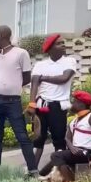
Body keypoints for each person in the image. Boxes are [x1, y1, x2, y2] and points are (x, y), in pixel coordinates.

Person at [0, 25, 37, 176]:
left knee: (22, 135)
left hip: (12, 101)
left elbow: (27, 77)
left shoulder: (21, 53)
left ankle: (33, 171)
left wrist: (13, 86)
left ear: (2, 35)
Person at [28, 34, 77, 167]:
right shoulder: (40, 64)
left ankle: (60, 172)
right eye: (59, 43)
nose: (63, 45)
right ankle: (31, 170)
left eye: (63, 42)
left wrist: (43, 77)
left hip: (58, 106)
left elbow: (64, 78)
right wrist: (31, 104)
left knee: (59, 140)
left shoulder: (70, 61)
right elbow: (34, 84)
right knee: (38, 139)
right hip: (40, 105)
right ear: (50, 48)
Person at [39, 91, 91, 182]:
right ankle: (39, 176)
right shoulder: (73, 121)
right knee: (54, 160)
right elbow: (67, 138)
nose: (72, 104)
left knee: (55, 155)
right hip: (75, 152)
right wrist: (71, 147)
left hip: (86, 153)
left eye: (74, 102)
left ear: (81, 104)